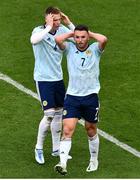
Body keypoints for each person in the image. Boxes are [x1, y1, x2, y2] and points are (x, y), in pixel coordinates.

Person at [54, 25, 107, 175]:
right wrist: (72, 33)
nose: (80, 40)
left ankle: (94, 159)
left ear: (88, 37)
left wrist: (89, 34)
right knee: (67, 130)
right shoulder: (70, 48)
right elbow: (58, 39)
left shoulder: (95, 49)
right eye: (77, 37)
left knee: (90, 130)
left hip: (90, 97)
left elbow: (104, 39)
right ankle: (62, 163)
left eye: (83, 37)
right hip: (72, 97)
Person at [30, 6, 75, 164]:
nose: (57, 22)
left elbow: (80, 38)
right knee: (49, 114)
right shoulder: (38, 31)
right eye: (54, 20)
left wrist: (69, 23)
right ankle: (39, 148)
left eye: (58, 19)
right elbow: (33, 41)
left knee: (59, 113)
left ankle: (56, 149)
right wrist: (48, 27)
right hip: (43, 79)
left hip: (58, 79)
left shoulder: (62, 29)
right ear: (47, 19)